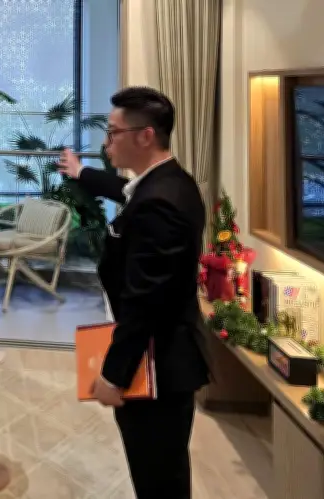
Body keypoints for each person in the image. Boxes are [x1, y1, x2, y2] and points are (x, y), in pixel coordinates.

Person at [58, 87, 211, 499]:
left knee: (159, 479)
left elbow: (146, 303)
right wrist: (81, 173)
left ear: (145, 136)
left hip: (158, 364)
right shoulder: (165, 183)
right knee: (159, 472)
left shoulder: (160, 203)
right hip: (159, 356)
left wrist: (113, 374)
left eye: (113, 133)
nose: (106, 142)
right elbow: (125, 190)